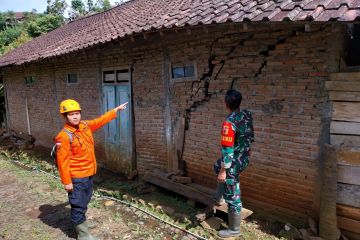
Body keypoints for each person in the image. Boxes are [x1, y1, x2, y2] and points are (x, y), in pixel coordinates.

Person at [54, 99, 128, 240]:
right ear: (65, 117)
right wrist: (67, 182)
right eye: (71, 114)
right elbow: (62, 162)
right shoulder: (64, 136)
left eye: (77, 113)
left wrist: (115, 111)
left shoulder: (85, 126)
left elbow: (99, 121)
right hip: (76, 177)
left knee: (85, 201)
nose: (75, 117)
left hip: (88, 173)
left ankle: (83, 225)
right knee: (78, 205)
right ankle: (83, 235)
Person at [217, 90, 254, 238]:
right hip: (244, 158)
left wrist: (224, 171)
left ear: (226, 104)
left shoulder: (229, 123)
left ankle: (234, 230)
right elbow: (251, 134)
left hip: (233, 163)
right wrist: (249, 150)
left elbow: (227, 150)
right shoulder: (246, 115)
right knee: (216, 165)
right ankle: (219, 197)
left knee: (233, 195)